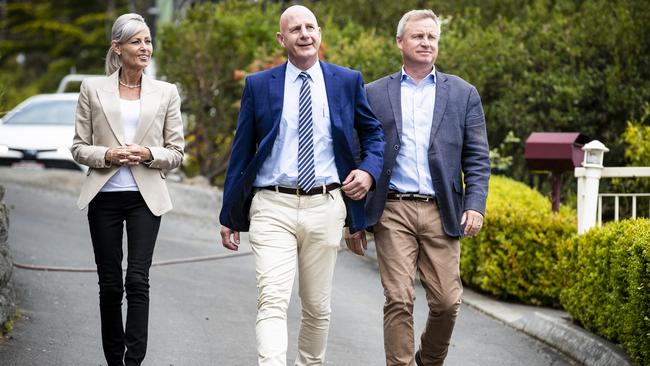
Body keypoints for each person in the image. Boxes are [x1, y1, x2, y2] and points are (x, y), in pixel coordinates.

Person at [219, 5, 384, 365]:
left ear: (320, 34)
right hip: (272, 205)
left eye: (310, 27)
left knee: (317, 305)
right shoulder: (259, 85)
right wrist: (229, 214)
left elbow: (373, 134)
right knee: (273, 299)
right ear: (282, 39)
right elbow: (242, 151)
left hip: (325, 205)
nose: (304, 34)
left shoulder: (346, 81)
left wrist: (369, 171)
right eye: (295, 29)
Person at [345, 9, 490, 366]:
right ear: (400, 42)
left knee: (447, 302)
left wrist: (475, 204)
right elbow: (357, 155)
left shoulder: (463, 94)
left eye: (432, 37)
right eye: (418, 36)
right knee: (398, 298)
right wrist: (354, 220)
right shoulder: (374, 93)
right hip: (392, 208)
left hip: (443, 210)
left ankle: (430, 360)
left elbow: (477, 157)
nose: (426, 42)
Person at [70, 13, 184, 366]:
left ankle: (134, 361)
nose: (145, 47)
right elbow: (77, 147)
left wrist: (148, 153)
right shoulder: (92, 88)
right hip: (104, 197)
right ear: (117, 48)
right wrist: (107, 154)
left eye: (148, 41)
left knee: (137, 280)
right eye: (136, 41)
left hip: (145, 199)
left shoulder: (166, 92)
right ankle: (113, 359)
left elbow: (176, 152)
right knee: (110, 284)